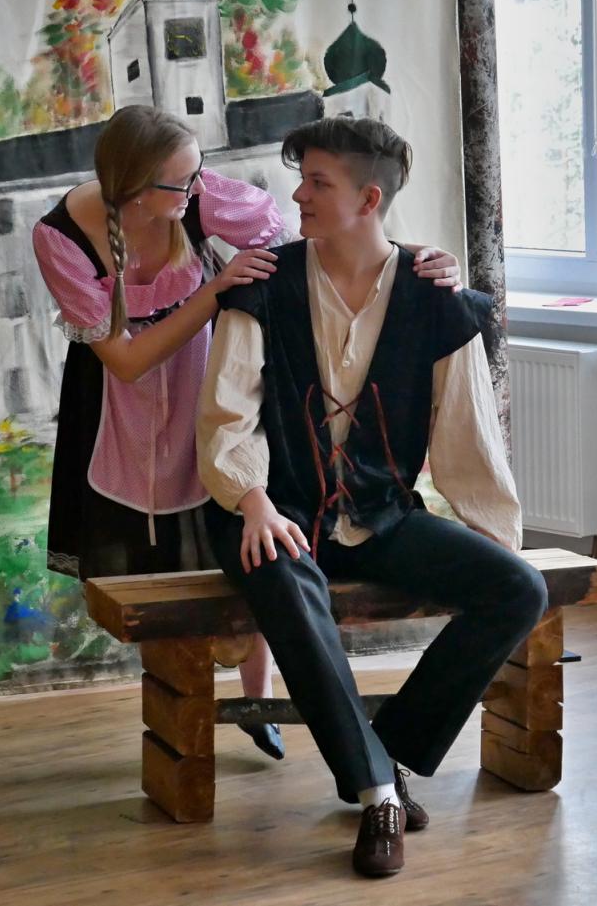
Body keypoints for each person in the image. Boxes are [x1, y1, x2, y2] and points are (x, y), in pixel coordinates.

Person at [33, 106, 462, 760]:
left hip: (210, 378)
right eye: (183, 182)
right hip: (122, 409)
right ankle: (179, 711)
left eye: (198, 173)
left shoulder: (197, 195)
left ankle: (258, 700)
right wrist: (216, 291)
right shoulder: (62, 236)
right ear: (139, 190)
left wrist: (409, 259)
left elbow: (308, 248)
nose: (199, 187)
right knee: (153, 562)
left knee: (247, 527)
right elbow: (126, 361)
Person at [196, 116, 548, 877]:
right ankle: (378, 793)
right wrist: (252, 500)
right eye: (302, 180)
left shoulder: (437, 299)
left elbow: (467, 435)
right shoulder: (264, 286)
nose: (298, 195)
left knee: (519, 589)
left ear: (369, 198)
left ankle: (391, 754)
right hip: (272, 509)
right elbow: (228, 412)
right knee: (285, 577)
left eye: (317, 182)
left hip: (379, 515)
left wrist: (493, 539)